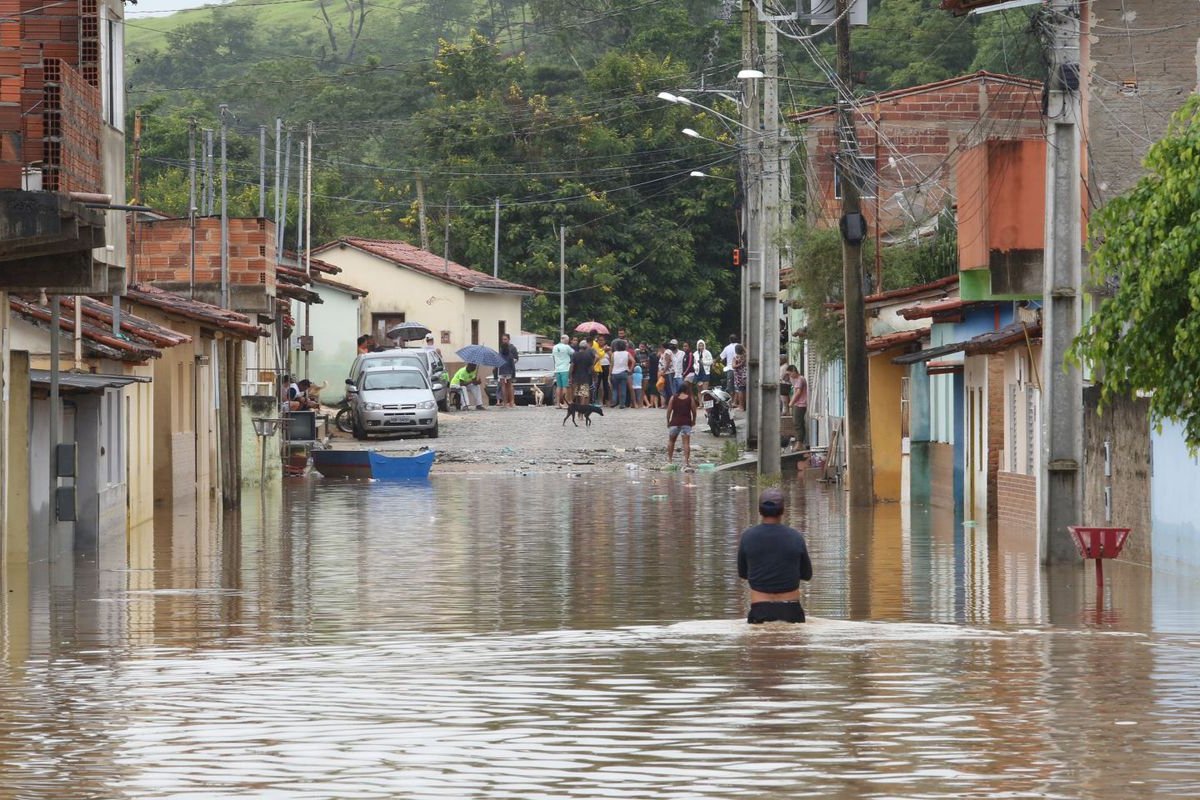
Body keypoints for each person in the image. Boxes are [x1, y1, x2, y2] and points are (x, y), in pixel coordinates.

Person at [737, 488, 813, 624]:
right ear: (783, 511)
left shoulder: (747, 537)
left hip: (760, 609)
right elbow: (807, 574)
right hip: (791, 610)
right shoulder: (796, 537)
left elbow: (743, 573)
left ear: (760, 511)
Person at [666, 381, 696, 469]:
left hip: (675, 423)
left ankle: (670, 460)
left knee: (671, 441)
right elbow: (694, 411)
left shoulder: (673, 398)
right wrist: (693, 420)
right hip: (686, 423)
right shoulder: (690, 398)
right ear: (687, 390)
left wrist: (668, 421)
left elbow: (669, 411)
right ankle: (686, 462)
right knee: (686, 443)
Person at [788, 364, 809, 448]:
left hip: (800, 405)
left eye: (790, 374)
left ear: (794, 371)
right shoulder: (798, 379)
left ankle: (799, 443)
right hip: (799, 404)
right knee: (799, 423)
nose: (790, 376)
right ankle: (799, 442)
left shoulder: (800, 379)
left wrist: (791, 403)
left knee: (797, 424)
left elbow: (798, 392)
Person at [569, 341, 596, 406]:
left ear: (579, 347)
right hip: (585, 377)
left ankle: (576, 406)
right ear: (586, 347)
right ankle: (583, 407)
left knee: (576, 393)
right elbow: (592, 368)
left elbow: (572, 366)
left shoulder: (575, 354)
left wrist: (570, 376)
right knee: (584, 393)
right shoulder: (588, 356)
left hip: (576, 377)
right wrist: (594, 376)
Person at [497, 333, 519, 408]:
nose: (504, 341)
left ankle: (511, 401)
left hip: (507, 368)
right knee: (504, 386)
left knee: (509, 385)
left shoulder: (512, 348)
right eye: (503, 339)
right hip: (505, 368)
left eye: (505, 339)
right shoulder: (501, 348)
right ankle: (505, 402)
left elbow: (516, 358)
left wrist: (511, 362)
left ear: (509, 339)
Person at [552, 334, 574, 409]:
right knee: (565, 387)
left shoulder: (554, 347)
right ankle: (565, 403)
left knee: (558, 387)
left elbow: (553, 357)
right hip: (565, 369)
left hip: (557, 369)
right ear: (566, 340)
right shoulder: (567, 347)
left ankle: (558, 404)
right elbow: (573, 353)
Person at [609, 340, 632, 409]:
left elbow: (611, 364)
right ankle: (622, 404)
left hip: (614, 373)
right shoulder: (627, 353)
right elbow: (633, 361)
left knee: (615, 389)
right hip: (624, 372)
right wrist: (630, 370)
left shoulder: (614, 354)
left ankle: (614, 402)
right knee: (623, 388)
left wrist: (610, 374)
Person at [732, 343, 747, 411]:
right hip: (746, 375)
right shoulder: (745, 356)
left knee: (740, 390)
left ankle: (741, 406)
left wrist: (740, 364)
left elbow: (733, 366)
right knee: (745, 390)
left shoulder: (736, 357)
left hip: (739, 376)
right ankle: (746, 405)